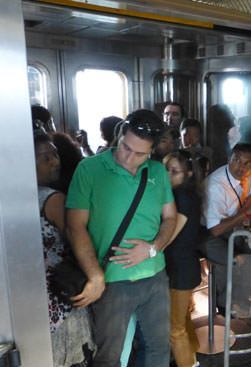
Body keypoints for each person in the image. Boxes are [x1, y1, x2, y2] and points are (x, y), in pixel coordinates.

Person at [66, 109, 177, 367]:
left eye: (140, 154)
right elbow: (75, 226)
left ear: (151, 151)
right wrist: (95, 275)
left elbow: (171, 218)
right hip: (112, 281)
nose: (129, 158)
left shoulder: (157, 173)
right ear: (119, 135)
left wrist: (153, 248)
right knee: (109, 357)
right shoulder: (90, 169)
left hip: (154, 276)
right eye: (126, 148)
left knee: (159, 349)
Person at [34, 132, 94, 366]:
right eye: (45, 157)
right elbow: (77, 237)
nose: (55, 161)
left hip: (31, 296)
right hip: (61, 294)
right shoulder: (52, 199)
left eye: (55, 154)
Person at [202, 143, 251, 314]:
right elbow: (215, 229)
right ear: (229, 159)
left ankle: (243, 299)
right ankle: (223, 305)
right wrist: (245, 213)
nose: (241, 167)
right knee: (231, 259)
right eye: (236, 160)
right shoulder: (216, 185)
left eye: (247, 163)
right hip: (207, 231)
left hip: (232, 227)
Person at [163, 150, 205, 367]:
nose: (168, 175)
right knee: (184, 323)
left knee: (175, 329)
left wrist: (150, 250)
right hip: (184, 267)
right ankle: (193, 359)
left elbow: (169, 236)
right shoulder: (188, 194)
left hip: (180, 270)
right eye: (166, 170)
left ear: (188, 173)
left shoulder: (181, 197)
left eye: (174, 171)